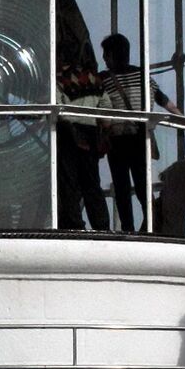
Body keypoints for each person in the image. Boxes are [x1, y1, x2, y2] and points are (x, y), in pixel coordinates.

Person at [99, 32, 181, 233]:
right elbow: (167, 103)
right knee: (143, 186)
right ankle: (153, 224)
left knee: (122, 188)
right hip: (140, 138)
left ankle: (128, 228)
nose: (104, 59)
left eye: (106, 54)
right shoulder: (143, 77)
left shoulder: (104, 79)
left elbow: (100, 108)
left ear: (111, 54)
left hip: (117, 140)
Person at [56, 42, 110, 230]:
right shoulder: (93, 78)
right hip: (91, 133)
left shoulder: (59, 80)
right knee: (92, 182)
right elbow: (107, 108)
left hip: (68, 133)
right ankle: (101, 224)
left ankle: (73, 223)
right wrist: (103, 131)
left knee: (69, 181)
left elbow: (58, 109)